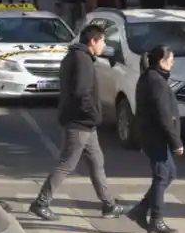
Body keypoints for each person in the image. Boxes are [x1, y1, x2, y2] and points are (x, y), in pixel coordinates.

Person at [29, 24, 123, 221]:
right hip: (80, 122)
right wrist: (94, 116)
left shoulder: (76, 57)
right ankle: (41, 202)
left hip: (84, 123)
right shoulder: (82, 61)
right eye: (102, 41)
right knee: (67, 163)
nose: (103, 45)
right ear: (93, 41)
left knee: (97, 162)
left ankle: (108, 204)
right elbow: (81, 93)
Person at [128, 45, 182, 233]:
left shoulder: (153, 78)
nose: (173, 63)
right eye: (170, 59)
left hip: (153, 135)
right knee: (162, 176)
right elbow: (164, 114)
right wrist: (176, 142)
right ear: (161, 61)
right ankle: (155, 221)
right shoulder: (155, 81)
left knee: (169, 174)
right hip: (154, 136)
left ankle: (141, 210)